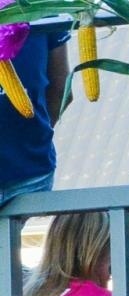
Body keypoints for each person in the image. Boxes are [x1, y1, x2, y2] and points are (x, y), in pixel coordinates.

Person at [0, 19, 69, 205]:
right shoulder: (42, 9)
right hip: (31, 165)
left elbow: (62, 90)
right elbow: (61, 89)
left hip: (31, 175)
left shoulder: (44, 11)